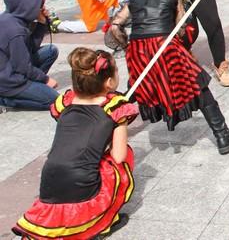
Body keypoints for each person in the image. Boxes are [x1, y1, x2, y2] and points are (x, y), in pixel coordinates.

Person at [119, 0, 229, 153]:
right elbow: (182, 28)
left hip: (139, 50)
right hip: (165, 47)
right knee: (198, 85)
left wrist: (130, 45)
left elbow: (115, 25)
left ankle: (105, 127)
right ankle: (223, 136)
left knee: (136, 88)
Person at [12, 48, 136, 240]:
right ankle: (106, 219)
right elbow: (118, 156)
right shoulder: (115, 108)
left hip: (49, 182)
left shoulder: (65, 102)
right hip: (82, 186)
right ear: (110, 82)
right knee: (124, 156)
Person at [0, 0, 59, 110]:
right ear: (25, 6)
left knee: (50, 51)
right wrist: (45, 80)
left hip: (11, 69)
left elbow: (30, 49)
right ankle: (6, 100)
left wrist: (42, 23)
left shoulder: (12, 18)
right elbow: (23, 67)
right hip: (9, 81)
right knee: (55, 101)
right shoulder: (15, 30)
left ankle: (32, 87)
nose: (39, 8)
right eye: (36, 5)